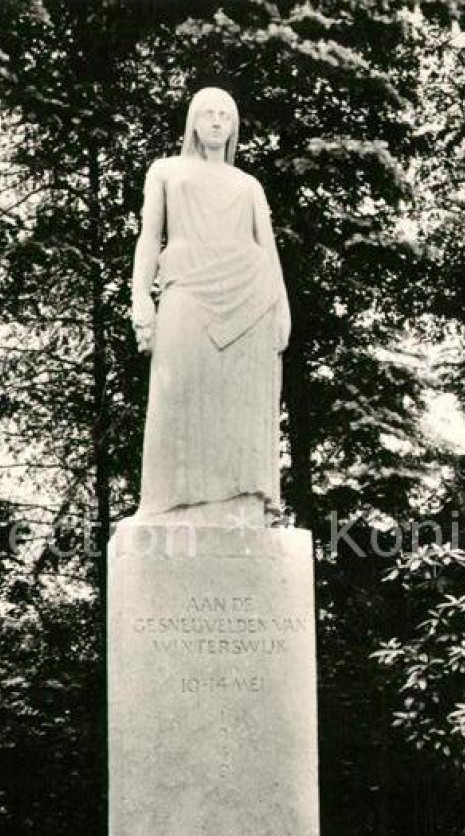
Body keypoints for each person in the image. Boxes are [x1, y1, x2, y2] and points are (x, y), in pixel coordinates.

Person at [130, 87, 291, 526]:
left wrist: (283, 307)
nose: (218, 121)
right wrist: (140, 295)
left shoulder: (248, 185)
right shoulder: (166, 171)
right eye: (209, 113)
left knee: (239, 403)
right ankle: (165, 505)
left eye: (226, 114)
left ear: (234, 124)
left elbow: (268, 247)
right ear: (193, 122)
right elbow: (149, 236)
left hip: (251, 296)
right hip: (186, 288)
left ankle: (240, 505)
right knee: (175, 390)